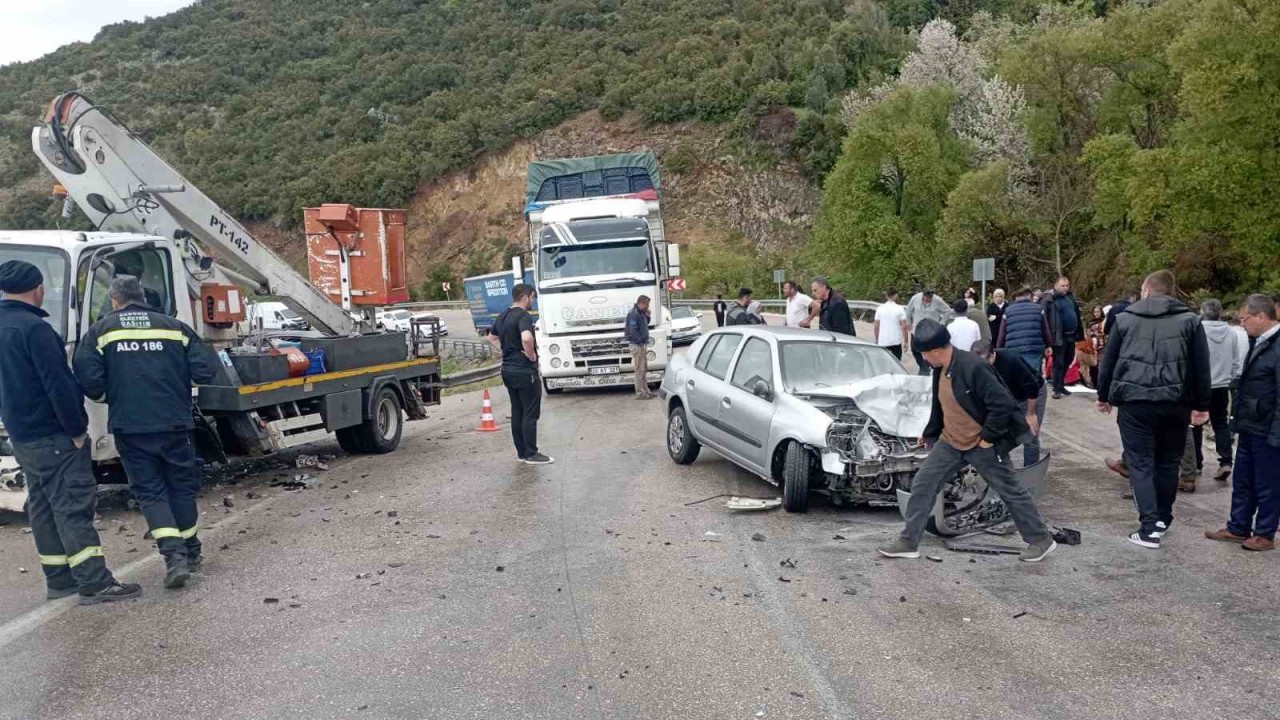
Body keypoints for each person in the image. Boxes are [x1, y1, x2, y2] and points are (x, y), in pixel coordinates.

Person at [0, 262, 141, 605]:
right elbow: (58, 384)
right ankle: (94, 582)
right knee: (72, 506)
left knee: (43, 505)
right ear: (37, 289)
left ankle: (59, 579)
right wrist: (77, 429)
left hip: (23, 435)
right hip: (55, 435)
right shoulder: (35, 329)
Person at [74, 277, 219, 589]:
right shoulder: (174, 327)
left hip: (131, 425)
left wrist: (111, 394)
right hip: (175, 422)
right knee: (181, 488)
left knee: (151, 491)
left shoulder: (100, 332)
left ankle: (173, 557)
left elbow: (88, 378)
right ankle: (191, 550)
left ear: (114, 300)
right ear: (143, 297)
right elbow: (206, 369)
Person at [877, 320, 1057, 563]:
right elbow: (941, 405)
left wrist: (987, 438)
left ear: (936, 351)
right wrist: (931, 431)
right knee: (923, 484)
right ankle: (908, 542)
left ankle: (1040, 540)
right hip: (950, 442)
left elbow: (1002, 404)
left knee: (1010, 491)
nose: (925, 360)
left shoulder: (973, 367)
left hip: (981, 443)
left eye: (924, 355)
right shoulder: (940, 368)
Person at [1096, 270, 1211, 549]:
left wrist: (1104, 396)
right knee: (1168, 462)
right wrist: (1201, 405)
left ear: (1146, 291)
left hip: (1135, 403)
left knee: (1141, 463)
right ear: (1171, 292)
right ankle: (1163, 518)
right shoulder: (1191, 321)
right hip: (1176, 403)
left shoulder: (1125, 320)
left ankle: (1149, 527)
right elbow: (1200, 366)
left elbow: (1108, 362)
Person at [1205, 294, 1280, 552]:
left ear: (1261, 316)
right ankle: (1238, 526)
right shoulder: (1258, 341)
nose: (1242, 323)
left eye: (1244, 318)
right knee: (1243, 479)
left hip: (1267, 428)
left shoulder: (1276, 346)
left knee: (1267, 483)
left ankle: (1265, 533)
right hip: (1249, 424)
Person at [485, 283, 552, 465]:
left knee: (517, 411)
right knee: (530, 412)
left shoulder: (503, 315)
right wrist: (530, 355)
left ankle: (521, 453)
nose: (533, 302)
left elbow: (491, 338)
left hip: (507, 370)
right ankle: (532, 453)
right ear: (526, 297)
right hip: (524, 371)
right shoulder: (523, 316)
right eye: (533, 298)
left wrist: (506, 351)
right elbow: (527, 337)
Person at [972, 339, 1046, 468]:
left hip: (1031, 393)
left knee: (1030, 434)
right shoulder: (975, 365)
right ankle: (1002, 469)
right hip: (1008, 396)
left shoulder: (1011, 360)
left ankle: (1030, 470)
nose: (980, 366)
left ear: (992, 355)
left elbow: (1032, 385)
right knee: (997, 432)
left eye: (984, 362)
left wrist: (1030, 414)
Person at [1194, 299, 1243, 485]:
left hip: (1201, 385)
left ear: (1202, 311)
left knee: (1196, 423)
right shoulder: (1231, 333)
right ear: (1220, 313)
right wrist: (1228, 376)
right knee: (1220, 423)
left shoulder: (1198, 330)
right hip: (1222, 385)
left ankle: (1197, 462)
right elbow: (1235, 359)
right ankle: (1226, 461)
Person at [1040, 276, 1083, 399]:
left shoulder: (1070, 298)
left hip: (1071, 335)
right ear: (1055, 286)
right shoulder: (1049, 299)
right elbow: (1044, 319)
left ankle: (1061, 384)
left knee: (1068, 360)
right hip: (1058, 335)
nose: (1065, 288)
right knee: (1058, 362)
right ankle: (1057, 388)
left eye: (1067, 285)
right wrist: (1047, 339)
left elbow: (1076, 315)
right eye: (1062, 285)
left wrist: (1079, 333)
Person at [996, 287, 1051, 378]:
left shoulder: (1008, 310)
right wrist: (1049, 345)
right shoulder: (1038, 309)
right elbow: (1045, 329)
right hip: (1033, 349)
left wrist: (999, 349)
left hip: (1013, 350)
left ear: (1016, 297)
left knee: (1016, 377)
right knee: (1033, 377)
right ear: (1030, 296)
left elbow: (1002, 333)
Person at [905, 288, 952, 375]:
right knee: (915, 349)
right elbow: (908, 311)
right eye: (926, 298)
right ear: (923, 295)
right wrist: (908, 322)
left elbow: (948, 310)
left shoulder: (937, 300)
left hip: (931, 331)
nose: (927, 300)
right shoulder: (915, 298)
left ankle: (931, 367)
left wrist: (941, 323)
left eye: (930, 298)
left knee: (930, 350)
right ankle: (923, 367)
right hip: (916, 329)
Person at [625, 295, 655, 400]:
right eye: (647, 304)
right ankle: (640, 393)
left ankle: (646, 391)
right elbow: (633, 331)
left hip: (641, 344)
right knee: (639, 370)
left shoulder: (641, 312)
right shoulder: (634, 313)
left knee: (643, 369)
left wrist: (648, 316)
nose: (648, 306)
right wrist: (640, 342)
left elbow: (645, 324)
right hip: (637, 345)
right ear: (641, 303)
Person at [873, 288, 909, 360]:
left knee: (884, 362)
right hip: (895, 340)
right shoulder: (900, 308)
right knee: (896, 363)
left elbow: (876, 325)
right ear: (896, 296)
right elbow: (904, 326)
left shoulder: (880, 308)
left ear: (886, 296)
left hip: (883, 341)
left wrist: (877, 338)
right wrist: (906, 341)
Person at [1077, 305, 1106, 388]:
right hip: (1092, 345)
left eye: (1098, 312)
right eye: (1095, 312)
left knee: (1101, 364)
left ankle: (1101, 382)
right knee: (1093, 364)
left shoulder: (1104, 321)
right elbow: (1088, 333)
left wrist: (1098, 334)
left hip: (1102, 345)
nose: (1096, 314)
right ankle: (1094, 382)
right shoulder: (1091, 322)